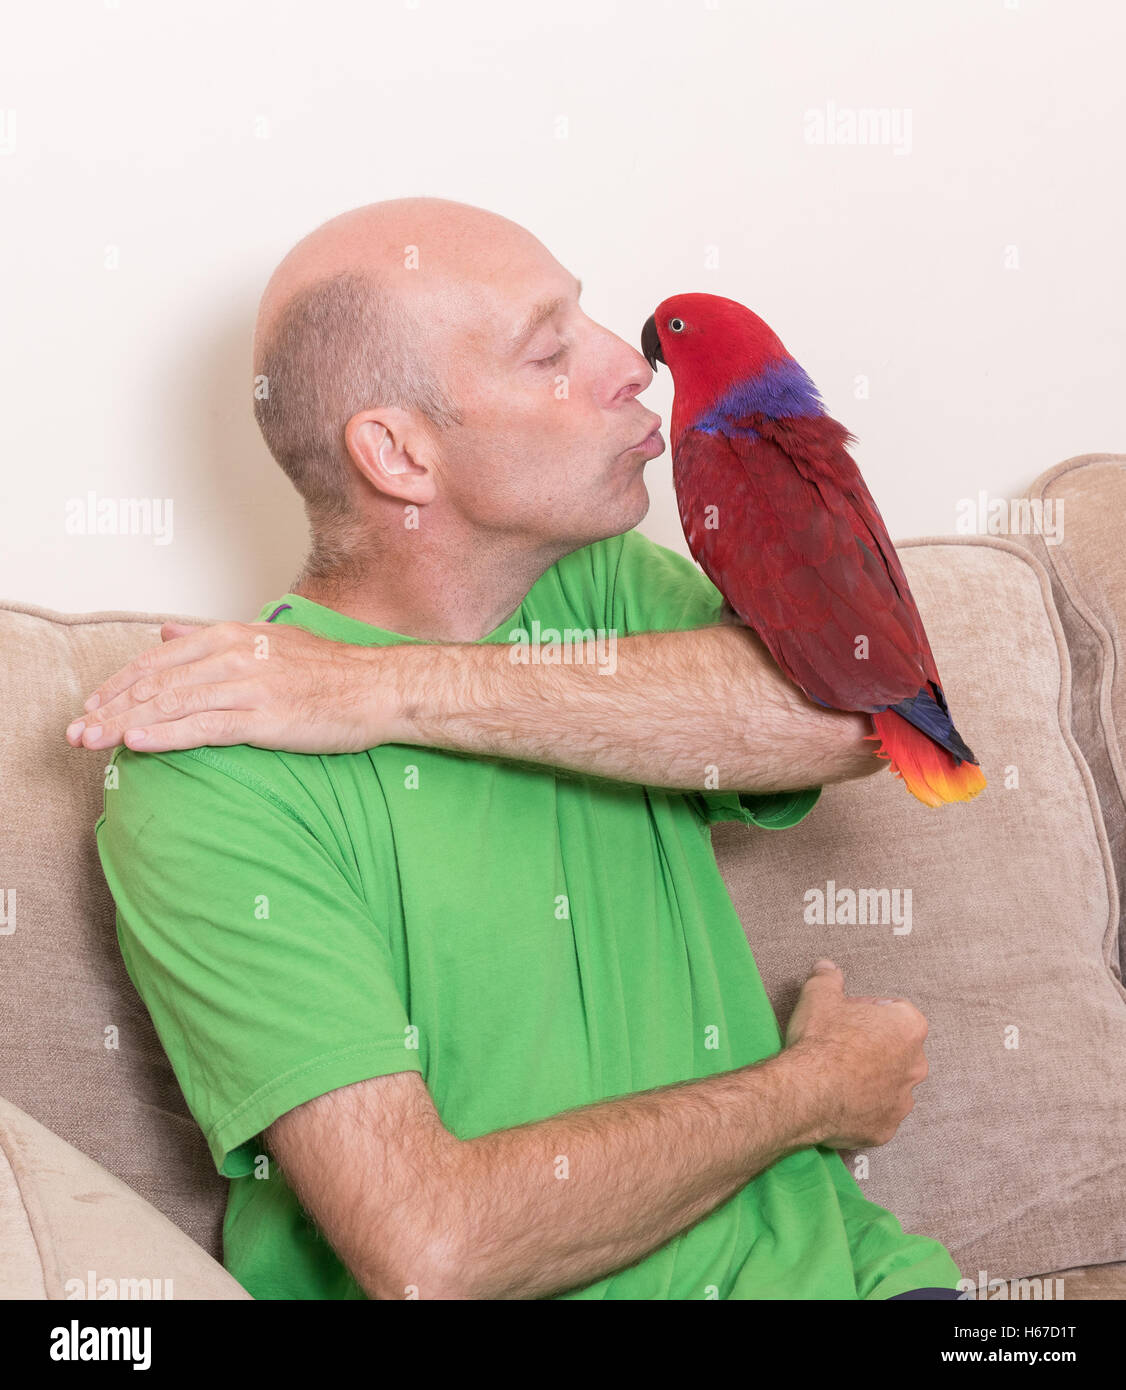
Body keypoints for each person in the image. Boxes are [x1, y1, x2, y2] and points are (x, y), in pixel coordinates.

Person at [80, 196, 963, 1300]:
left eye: (588, 320)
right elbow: (431, 1252)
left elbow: (852, 713)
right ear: (398, 454)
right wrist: (815, 1091)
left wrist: (385, 687)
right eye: (549, 349)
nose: (624, 364)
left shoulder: (601, 586)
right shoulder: (204, 771)